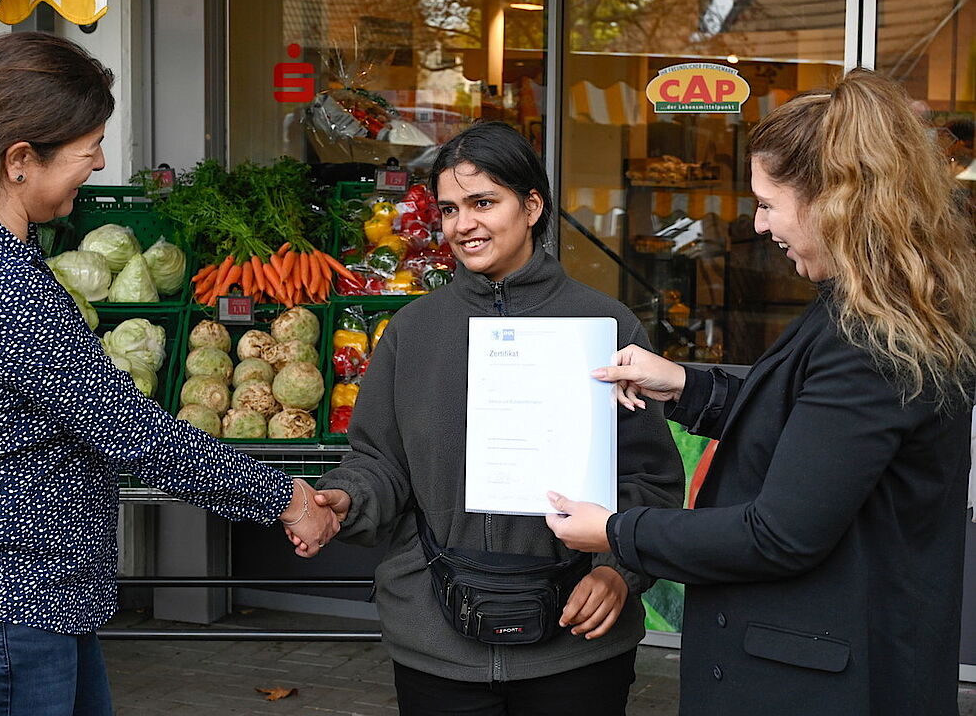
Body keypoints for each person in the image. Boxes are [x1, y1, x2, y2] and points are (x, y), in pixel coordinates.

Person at [0, 32, 337, 715]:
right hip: (0, 600)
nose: (102, 162)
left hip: (18, 596)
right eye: (91, 147)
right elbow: (130, 429)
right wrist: (286, 498)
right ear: (21, 161)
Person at [545, 68, 976, 715]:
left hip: (822, 682)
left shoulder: (871, 338)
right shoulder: (870, 310)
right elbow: (809, 433)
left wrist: (614, 530)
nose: (760, 223)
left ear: (836, 201)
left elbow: (779, 534)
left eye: (770, 203)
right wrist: (683, 385)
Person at [295, 121, 685, 715]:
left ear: (532, 206)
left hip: (575, 638)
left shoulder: (605, 327)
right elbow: (379, 462)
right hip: (436, 637)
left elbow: (650, 479)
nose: (463, 225)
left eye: (483, 203)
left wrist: (616, 572)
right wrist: (347, 499)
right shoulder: (411, 332)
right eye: (449, 209)